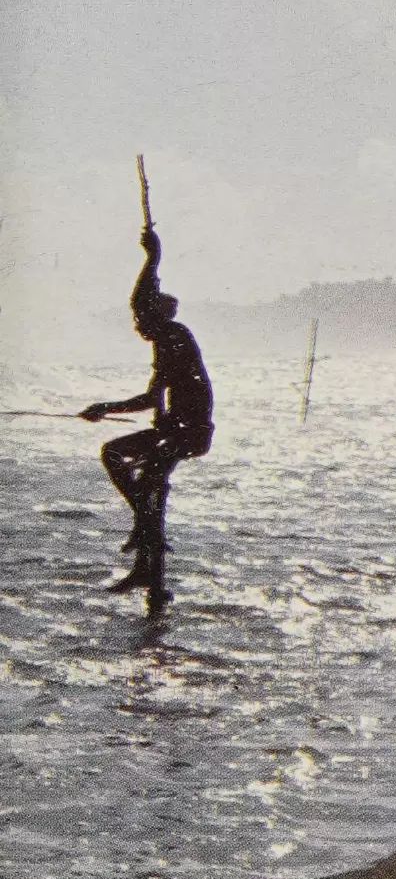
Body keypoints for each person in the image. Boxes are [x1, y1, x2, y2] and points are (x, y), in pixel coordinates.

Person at [80, 227, 213, 605]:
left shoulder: (174, 338)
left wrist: (153, 258)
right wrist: (150, 259)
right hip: (178, 430)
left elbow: (161, 395)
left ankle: (143, 531)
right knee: (148, 487)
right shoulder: (165, 341)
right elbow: (154, 396)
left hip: (190, 432)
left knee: (125, 466)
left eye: (141, 321)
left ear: (155, 317)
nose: (137, 326)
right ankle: (151, 578)